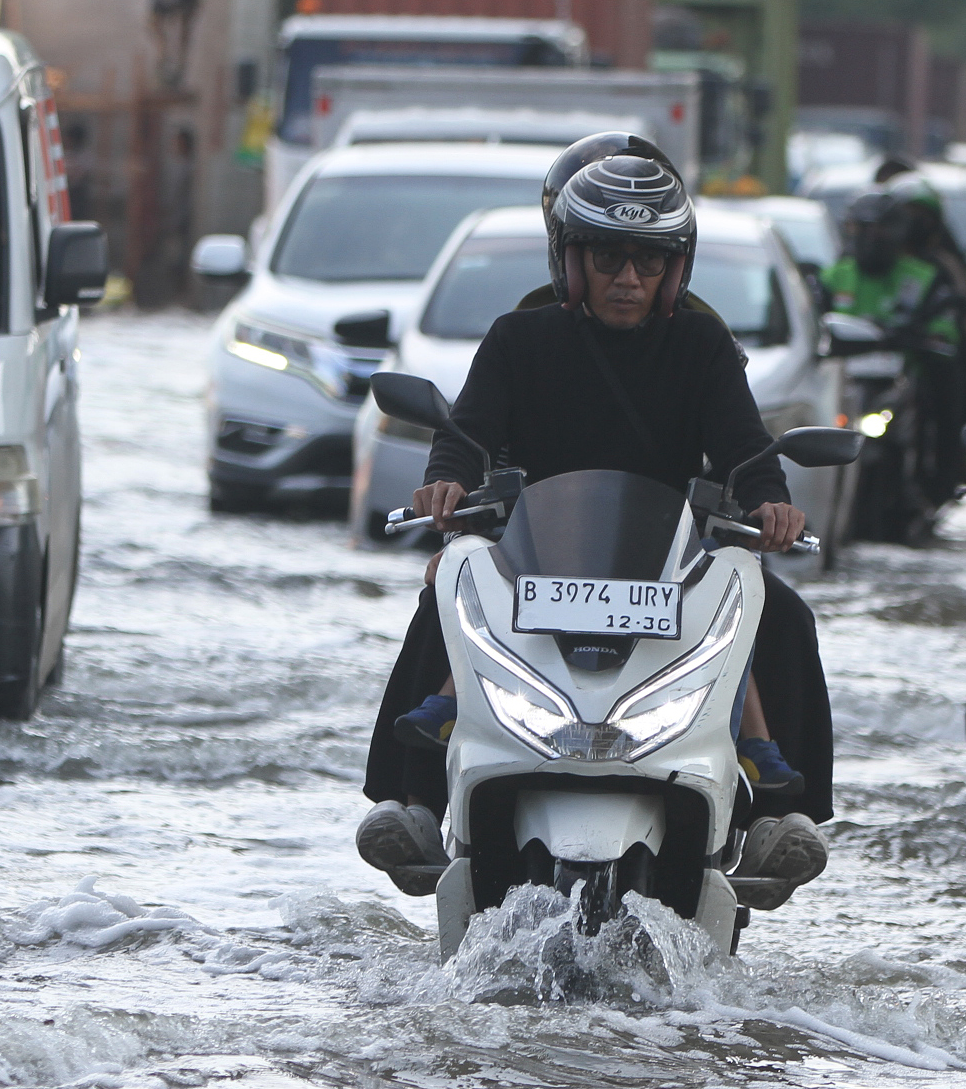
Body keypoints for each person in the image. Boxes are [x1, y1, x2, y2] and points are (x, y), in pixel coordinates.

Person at [355, 142, 834, 909]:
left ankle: (782, 814)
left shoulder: (704, 346)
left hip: (667, 560)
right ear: (569, 261)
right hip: (534, 557)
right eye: (608, 259)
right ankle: (412, 803)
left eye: (647, 263)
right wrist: (443, 483)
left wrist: (770, 504)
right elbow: (465, 435)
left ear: (675, 269)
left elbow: (747, 451)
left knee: (781, 613)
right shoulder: (519, 339)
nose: (628, 279)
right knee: (441, 596)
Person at [825, 186, 963, 534]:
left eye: (882, 229)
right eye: (864, 229)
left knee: (944, 410)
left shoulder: (924, 277)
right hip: (847, 382)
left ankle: (933, 488)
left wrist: (932, 337)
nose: (873, 238)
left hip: (905, 380)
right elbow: (815, 320)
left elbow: (945, 322)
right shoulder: (834, 276)